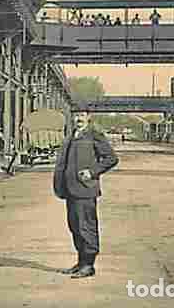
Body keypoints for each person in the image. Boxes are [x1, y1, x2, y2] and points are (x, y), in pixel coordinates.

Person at [53, 110, 119, 279]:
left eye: (82, 115)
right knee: (74, 226)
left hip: (85, 189)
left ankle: (89, 265)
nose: (78, 118)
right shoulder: (72, 135)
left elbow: (111, 158)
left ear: (89, 117)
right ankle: (81, 262)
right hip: (70, 189)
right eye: (75, 115)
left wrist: (92, 172)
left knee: (86, 227)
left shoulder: (94, 135)